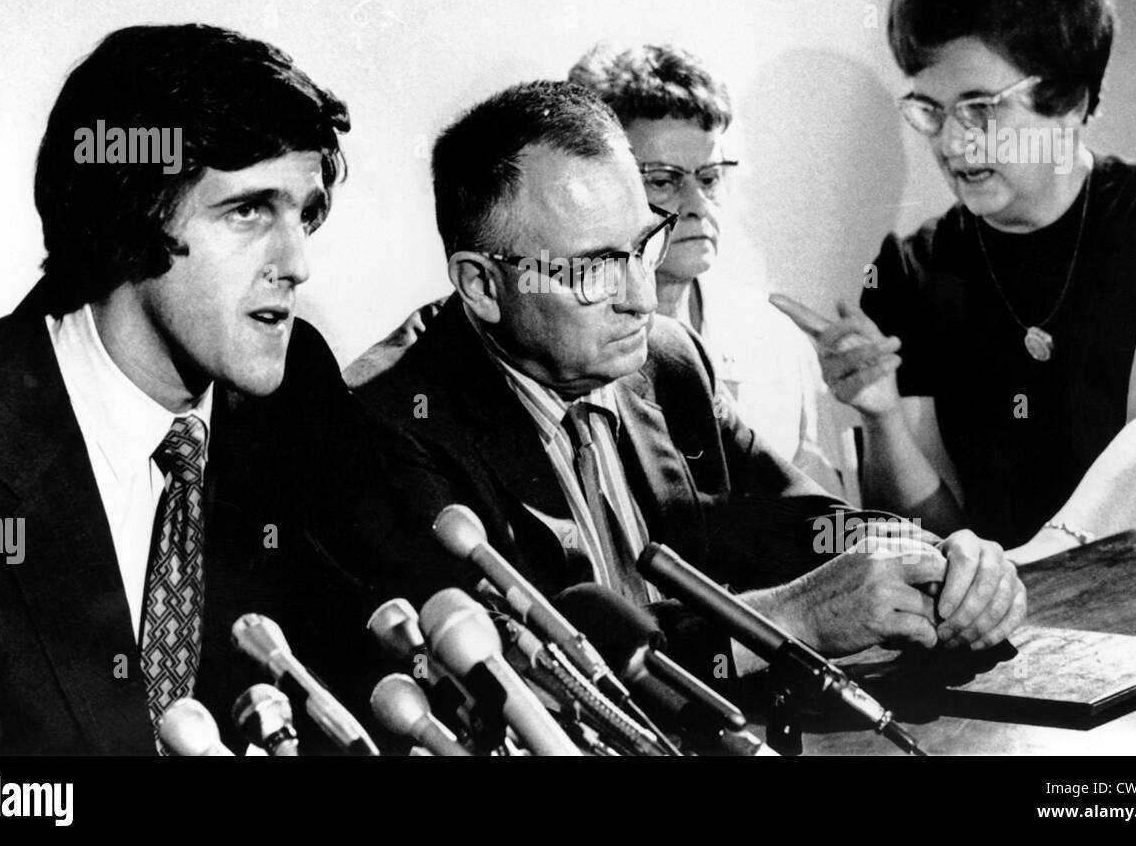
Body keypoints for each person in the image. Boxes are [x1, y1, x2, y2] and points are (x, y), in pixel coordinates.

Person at [346, 80, 1024, 679]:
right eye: (593, 269)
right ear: (481, 284)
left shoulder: (666, 358)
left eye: (643, 245)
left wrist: (946, 565)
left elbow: (799, 526)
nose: (641, 296)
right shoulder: (387, 423)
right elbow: (534, 669)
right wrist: (791, 618)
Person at [0, 24, 360, 754]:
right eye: (249, 210)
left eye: (305, 214)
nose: (297, 262)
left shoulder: (297, 392)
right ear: (131, 210)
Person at [817, 0, 1136, 564]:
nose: (951, 143)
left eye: (981, 106)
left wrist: (1033, 564)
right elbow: (937, 533)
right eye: (931, 108)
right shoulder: (913, 271)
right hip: (1018, 635)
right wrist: (882, 416)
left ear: (1066, 96)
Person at [568, 43, 838, 492]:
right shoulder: (566, 346)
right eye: (663, 181)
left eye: (710, 178)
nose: (698, 207)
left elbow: (833, 528)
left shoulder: (776, 342)